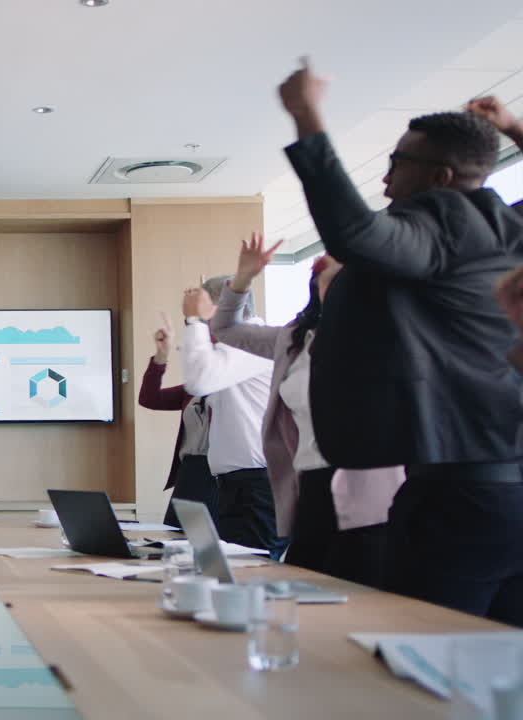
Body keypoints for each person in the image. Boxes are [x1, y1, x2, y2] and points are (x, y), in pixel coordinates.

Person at [280, 60, 523, 622]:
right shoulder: (506, 229)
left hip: (460, 498)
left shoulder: (440, 226)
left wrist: (307, 118)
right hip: (503, 489)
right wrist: (511, 129)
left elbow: (357, 233)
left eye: (397, 164)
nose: (386, 180)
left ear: (439, 179)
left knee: (419, 660)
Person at [210, 233, 401, 587]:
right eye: (329, 282)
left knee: (357, 586)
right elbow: (224, 329)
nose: (338, 290)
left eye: (347, 282)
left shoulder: (384, 335)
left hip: (367, 482)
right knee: (305, 585)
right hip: (310, 480)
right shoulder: (295, 339)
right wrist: (242, 279)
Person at [178, 278, 281, 554]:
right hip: (238, 484)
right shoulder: (238, 346)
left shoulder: (250, 341)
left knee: (251, 573)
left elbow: (199, 381)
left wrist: (194, 321)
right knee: (234, 571)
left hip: (257, 484)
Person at [137, 315, 217, 528]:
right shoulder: (193, 388)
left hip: (218, 474)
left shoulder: (234, 383)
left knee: (210, 543)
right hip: (189, 472)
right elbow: (149, 398)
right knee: (175, 540)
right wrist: (161, 357)